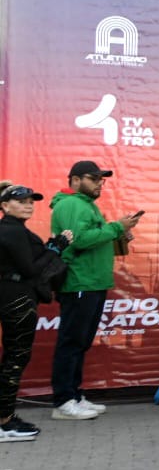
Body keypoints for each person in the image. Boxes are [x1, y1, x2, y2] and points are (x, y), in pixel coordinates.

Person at [48, 160, 142, 420]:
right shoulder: (71, 204)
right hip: (79, 282)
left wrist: (119, 235)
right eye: (94, 178)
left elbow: (94, 239)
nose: (100, 183)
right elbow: (79, 240)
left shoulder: (87, 205)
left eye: (102, 179)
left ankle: (74, 396)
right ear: (76, 180)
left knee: (80, 343)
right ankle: (63, 401)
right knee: (72, 343)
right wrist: (115, 228)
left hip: (92, 283)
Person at [0, 183, 71, 441]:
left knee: (13, 358)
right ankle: (4, 423)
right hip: (16, 298)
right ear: (5, 206)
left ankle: (5, 417)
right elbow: (31, 269)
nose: (28, 204)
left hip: (14, 296)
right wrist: (56, 246)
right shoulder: (11, 230)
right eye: (21, 200)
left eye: (31, 200)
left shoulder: (15, 230)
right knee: (15, 359)